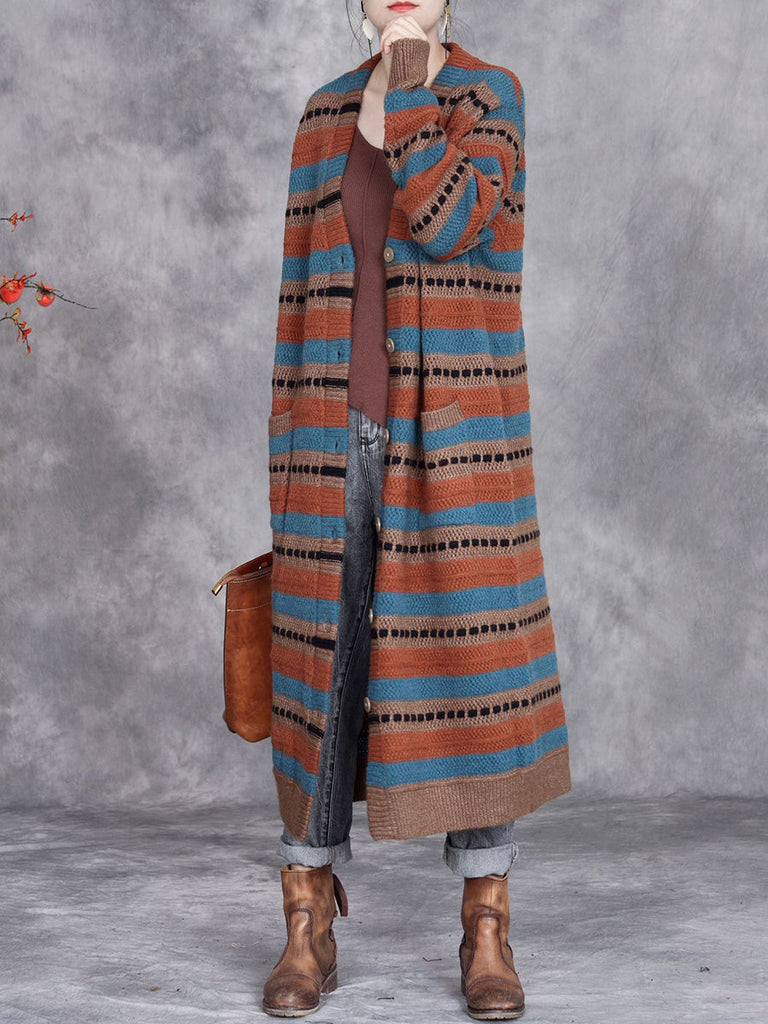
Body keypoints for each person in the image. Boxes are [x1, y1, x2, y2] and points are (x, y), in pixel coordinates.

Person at [263, 1, 571, 1018]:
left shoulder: (489, 98)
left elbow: (445, 222)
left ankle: (486, 925)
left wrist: (407, 84)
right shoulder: (322, 117)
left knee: (471, 671)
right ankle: (306, 919)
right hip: (332, 434)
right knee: (321, 675)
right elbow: (299, 295)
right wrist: (288, 445)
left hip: (457, 440)